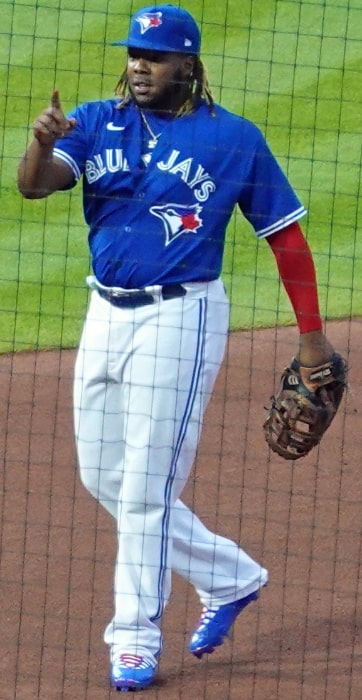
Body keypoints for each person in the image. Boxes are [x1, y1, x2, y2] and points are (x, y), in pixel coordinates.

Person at [17, 4, 336, 692]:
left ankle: (133, 639)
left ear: (187, 65)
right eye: (134, 53)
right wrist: (40, 142)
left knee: (145, 488)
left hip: (181, 320)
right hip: (103, 313)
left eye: (155, 56)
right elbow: (35, 186)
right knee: (102, 475)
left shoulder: (234, 140)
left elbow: (286, 237)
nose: (139, 65)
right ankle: (231, 577)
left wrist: (311, 341)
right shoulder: (97, 122)